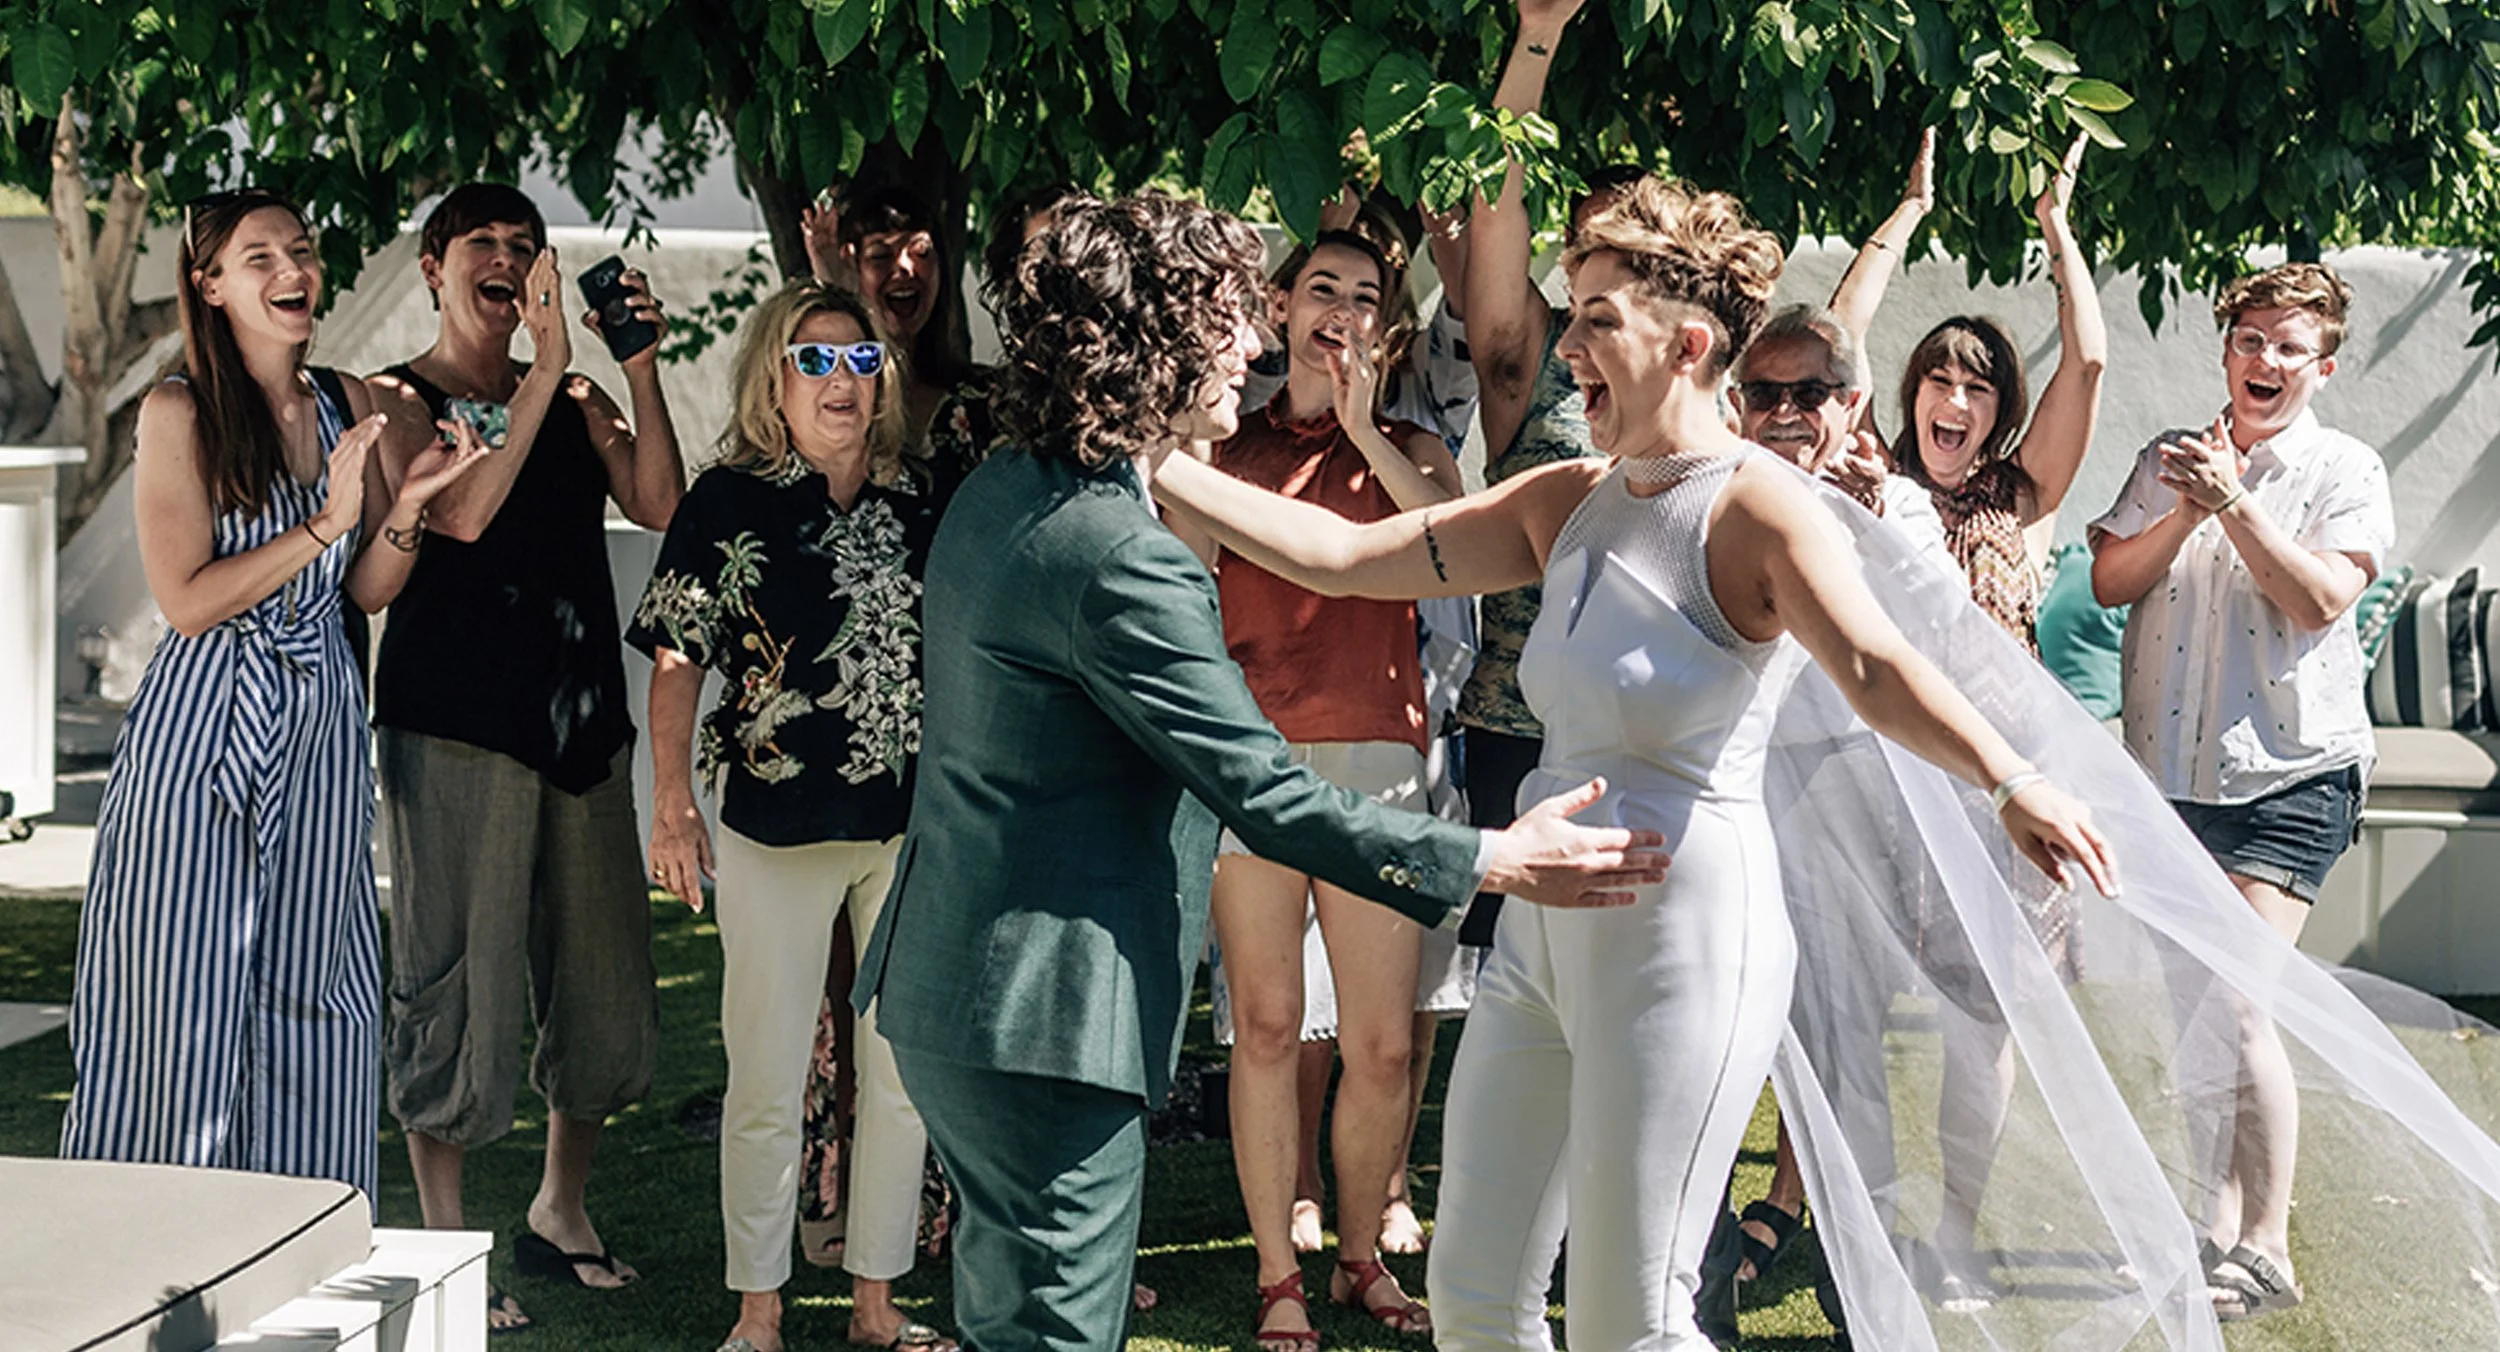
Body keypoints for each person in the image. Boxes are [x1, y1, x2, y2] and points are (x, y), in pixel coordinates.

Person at [1155, 166, 2119, 1349]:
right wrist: (1149, 460)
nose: (1567, 346)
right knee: (1471, 1292)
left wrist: (2009, 777)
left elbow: (1871, 664)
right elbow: (1346, 557)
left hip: (1685, 936)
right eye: (1571, 318)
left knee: (1631, 1310)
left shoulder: (1758, 511)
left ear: (1691, 340)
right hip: (1540, 936)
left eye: (1597, 320)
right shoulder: (1564, 499)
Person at [853, 191, 1673, 1352]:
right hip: (1042, 1016)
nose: (1249, 342)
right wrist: (1492, 857)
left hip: (960, 992)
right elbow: (1263, 790)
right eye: (1225, 317)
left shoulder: (1010, 483)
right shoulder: (1119, 555)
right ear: (1155, 340)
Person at [62, 189, 484, 1202]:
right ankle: (149, 1242)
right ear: (209, 286)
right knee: (179, 983)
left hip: (319, 719)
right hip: (204, 719)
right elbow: (189, 600)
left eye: (300, 249)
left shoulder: (348, 399)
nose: (291, 269)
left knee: (318, 983)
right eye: (259, 257)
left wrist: (407, 505)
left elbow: (369, 587)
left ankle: (299, 1236)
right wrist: (325, 519)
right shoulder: (180, 410)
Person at [366, 182, 684, 1326]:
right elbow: (461, 518)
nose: (507, 260)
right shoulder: (400, 397)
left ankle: (560, 1204)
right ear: (435, 269)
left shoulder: (583, 389)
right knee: (457, 978)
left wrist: (634, 362)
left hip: (579, 721)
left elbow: (658, 503)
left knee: (602, 989)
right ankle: (448, 1243)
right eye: (482, 245)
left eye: (525, 245)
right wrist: (540, 372)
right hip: (454, 725)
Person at [631, 281, 955, 1352]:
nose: (841, 383)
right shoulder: (727, 498)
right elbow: (678, 655)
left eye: (860, 364)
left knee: (899, 1079)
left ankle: (873, 1303)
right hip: (772, 819)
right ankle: (758, 1311)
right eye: (815, 361)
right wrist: (672, 802)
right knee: (765, 1072)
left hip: (908, 827)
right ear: (776, 375)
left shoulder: (925, 496)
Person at [1178, 225, 1465, 1348]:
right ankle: (1273, 1274)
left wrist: (1358, 431)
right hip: (1253, 761)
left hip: (1378, 763)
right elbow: (1182, 587)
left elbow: (1434, 543)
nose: (1338, 310)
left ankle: (1355, 1256)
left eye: (1362, 294)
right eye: (1319, 290)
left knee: (1383, 1041)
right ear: (1281, 308)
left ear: (1385, 324)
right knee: (1264, 1021)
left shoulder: (1415, 446)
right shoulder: (1222, 450)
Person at [2088, 261, 2390, 1320]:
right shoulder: (2163, 456)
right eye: (2249, 339)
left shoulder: (2346, 469)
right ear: (2225, 349)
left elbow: (2315, 601)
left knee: (2236, 998)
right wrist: (2188, 504)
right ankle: (2210, 1224)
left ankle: (2267, 1242)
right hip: (2165, 775)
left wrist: (2236, 505)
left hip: (2289, 774)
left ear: (2323, 366)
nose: (2265, 360)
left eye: (2288, 346)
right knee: (2194, 1008)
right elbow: (2110, 579)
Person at [1834, 128, 2106, 649]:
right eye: (1939, 381)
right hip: (1899, 724)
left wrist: (2055, 225)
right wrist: (1912, 207)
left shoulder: (2026, 491)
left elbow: (2087, 362)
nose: (1954, 401)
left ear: (2001, 411)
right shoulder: (1881, 481)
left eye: (1977, 388)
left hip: (2007, 728)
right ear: (1914, 394)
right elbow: (1841, 333)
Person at [803, 182, 974, 443]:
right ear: (853, 268)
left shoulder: (983, 399)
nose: (904, 267)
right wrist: (838, 299)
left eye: (920, 251)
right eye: (880, 255)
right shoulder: (834, 403)